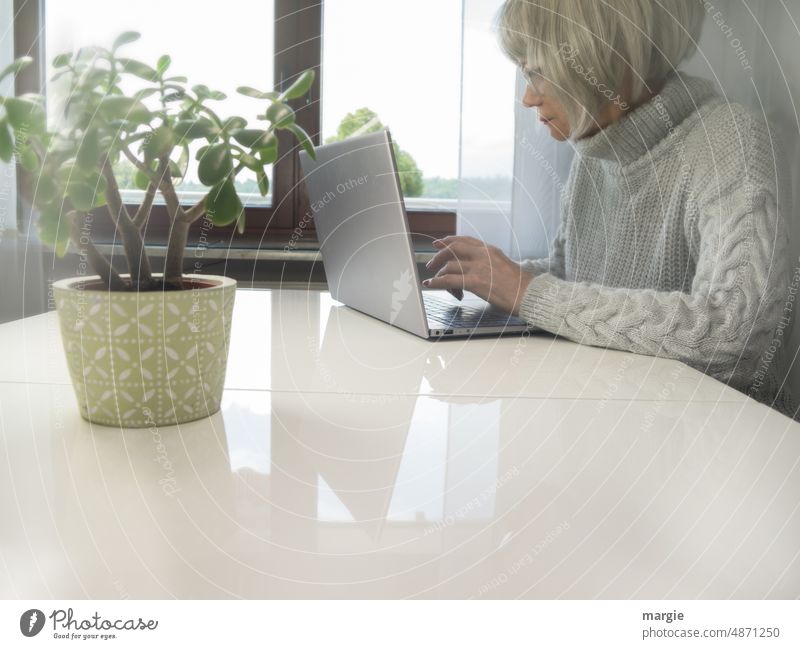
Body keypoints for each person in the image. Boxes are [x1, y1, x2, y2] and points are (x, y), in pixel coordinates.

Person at [423, 0, 795, 417]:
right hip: (607, 420)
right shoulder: (596, 153)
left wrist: (526, 291)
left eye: (536, 72)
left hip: (713, 448)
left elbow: (735, 338)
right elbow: (571, 276)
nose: (528, 97)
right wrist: (493, 277)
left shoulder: (733, 143)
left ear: (597, 60)